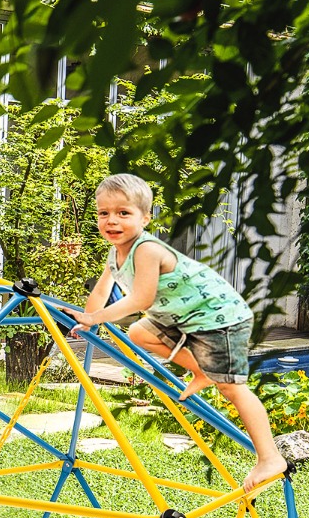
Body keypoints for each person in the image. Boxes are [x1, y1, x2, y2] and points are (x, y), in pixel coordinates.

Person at [62, 172, 288, 495]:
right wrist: (86, 319)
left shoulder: (147, 250)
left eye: (123, 213)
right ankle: (199, 369)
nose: (111, 220)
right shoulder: (115, 256)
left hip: (219, 316)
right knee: (139, 332)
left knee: (232, 388)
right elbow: (100, 294)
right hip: (188, 320)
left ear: (145, 217)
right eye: (103, 213)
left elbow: (141, 299)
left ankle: (269, 456)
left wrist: (95, 317)